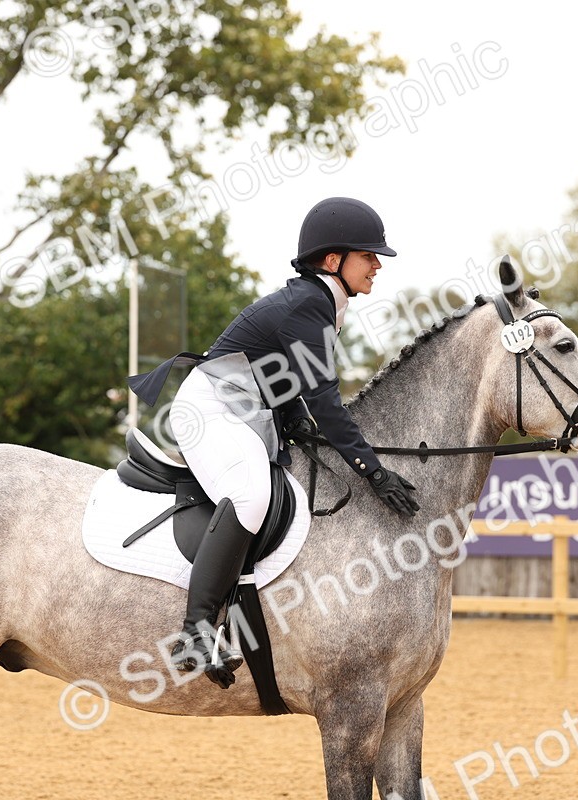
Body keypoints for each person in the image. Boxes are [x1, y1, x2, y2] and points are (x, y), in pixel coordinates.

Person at [128, 197, 421, 680]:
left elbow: (282, 373)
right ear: (333, 262)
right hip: (211, 411)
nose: (376, 265)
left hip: (244, 411)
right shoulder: (310, 304)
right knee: (250, 492)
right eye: (368, 256)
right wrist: (373, 470)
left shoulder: (320, 302)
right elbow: (325, 398)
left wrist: (293, 419)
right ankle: (196, 630)